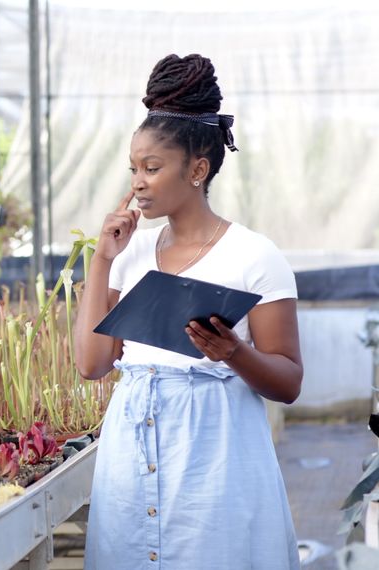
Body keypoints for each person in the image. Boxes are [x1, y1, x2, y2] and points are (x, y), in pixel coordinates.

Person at [74, 54, 302, 569]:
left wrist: (233, 353)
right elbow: (91, 364)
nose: (137, 181)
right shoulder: (128, 251)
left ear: (197, 169)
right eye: (133, 168)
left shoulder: (255, 256)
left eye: (152, 168)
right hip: (130, 457)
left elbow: (288, 382)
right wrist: (102, 258)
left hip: (214, 461)